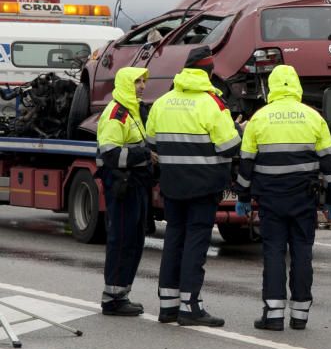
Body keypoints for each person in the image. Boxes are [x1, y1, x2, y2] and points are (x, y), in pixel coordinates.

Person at [234, 64, 331, 331]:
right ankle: (301, 314)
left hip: (270, 200)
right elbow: (329, 166)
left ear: (271, 86)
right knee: (303, 253)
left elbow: (245, 165)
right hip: (304, 199)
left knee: (273, 253)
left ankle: (274, 314)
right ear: (296, 86)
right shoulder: (314, 118)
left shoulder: (259, 118)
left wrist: (243, 196)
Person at [146, 46, 240, 327]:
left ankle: (168, 305)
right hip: (203, 187)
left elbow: (151, 143)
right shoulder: (213, 103)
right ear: (209, 72)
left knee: (174, 239)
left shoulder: (163, 102)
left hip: (172, 184)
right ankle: (190, 307)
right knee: (196, 245)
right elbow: (229, 147)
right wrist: (240, 129)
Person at [97, 67, 153, 316]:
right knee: (122, 241)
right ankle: (112, 299)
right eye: (137, 81)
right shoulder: (116, 114)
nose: (142, 85)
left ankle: (122, 294)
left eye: (143, 81)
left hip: (135, 185)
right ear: (125, 83)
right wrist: (144, 155)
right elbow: (110, 155)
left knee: (134, 240)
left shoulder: (133, 111)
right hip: (123, 186)